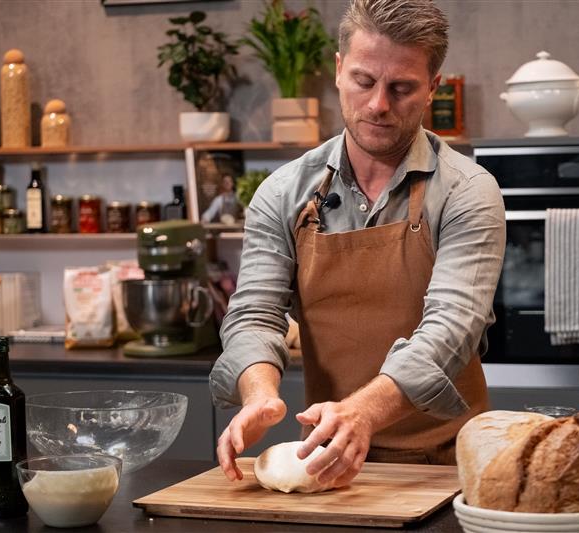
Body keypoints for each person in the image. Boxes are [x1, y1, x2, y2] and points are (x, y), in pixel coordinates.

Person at [210, 0, 506, 489]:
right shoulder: (283, 193)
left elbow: (451, 330)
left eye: (402, 87)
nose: (378, 105)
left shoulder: (467, 191)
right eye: (364, 81)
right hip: (330, 462)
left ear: (433, 87)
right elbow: (254, 315)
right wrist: (259, 393)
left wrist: (362, 413)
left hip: (447, 466)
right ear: (338, 69)